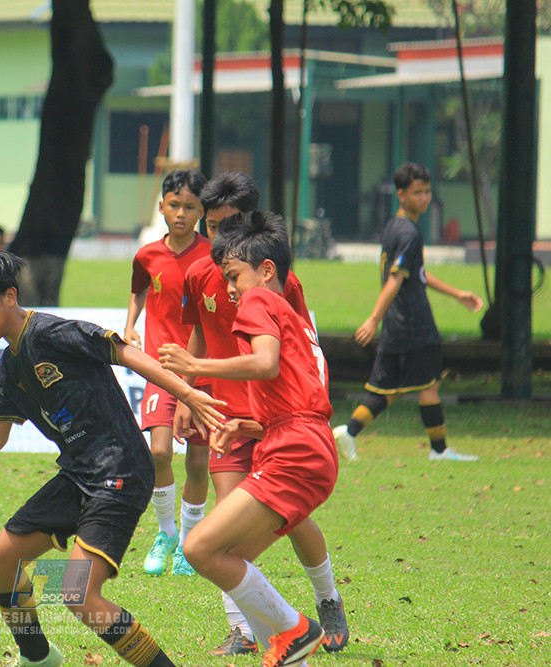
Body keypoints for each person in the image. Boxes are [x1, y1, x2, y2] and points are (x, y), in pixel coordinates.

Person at [0, 250, 227, 667]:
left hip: (121, 469)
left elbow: (125, 353)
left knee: (78, 595)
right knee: (0, 560)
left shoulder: (54, 332)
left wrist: (186, 391)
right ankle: (38, 657)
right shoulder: (11, 365)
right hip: (77, 474)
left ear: (9, 295)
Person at [169, 172, 348, 656]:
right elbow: (295, 366)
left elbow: (267, 363)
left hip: (294, 445)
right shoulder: (257, 293)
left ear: (266, 267)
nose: (229, 288)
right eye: (213, 226)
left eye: (234, 275)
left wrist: (193, 366)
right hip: (286, 434)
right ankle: (278, 647)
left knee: (201, 549)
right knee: (228, 554)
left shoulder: (258, 297)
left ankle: (300, 629)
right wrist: (246, 419)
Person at [333, 162, 483, 462]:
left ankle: (348, 432)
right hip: (414, 321)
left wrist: (456, 294)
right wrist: (374, 317)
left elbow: (420, 274)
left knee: (390, 387)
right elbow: (396, 278)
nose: (424, 198)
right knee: (429, 384)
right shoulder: (410, 233)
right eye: (418, 192)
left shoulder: (394, 226)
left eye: (427, 192)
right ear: (401, 194)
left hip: (396, 321)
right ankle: (439, 450)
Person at [124, 168, 212, 577]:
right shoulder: (147, 254)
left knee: (197, 461)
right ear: (161, 206)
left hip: (202, 368)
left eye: (189, 206)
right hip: (161, 369)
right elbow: (138, 288)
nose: (180, 213)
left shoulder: (212, 256)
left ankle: (190, 545)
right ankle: (166, 533)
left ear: (201, 212)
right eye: (173, 204)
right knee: (159, 451)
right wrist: (130, 325)